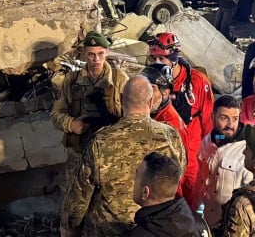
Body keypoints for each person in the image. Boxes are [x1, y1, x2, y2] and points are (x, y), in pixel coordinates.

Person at [61, 76, 186, 237]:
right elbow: (177, 175)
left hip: (108, 231)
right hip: (156, 229)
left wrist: (69, 225)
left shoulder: (101, 142)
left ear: (120, 100)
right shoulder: (171, 137)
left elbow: (79, 193)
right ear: (149, 102)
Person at [50, 32, 128, 157]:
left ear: (106, 52)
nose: (96, 59)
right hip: (80, 151)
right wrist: (71, 124)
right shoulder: (71, 80)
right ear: (84, 54)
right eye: (91, 54)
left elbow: (132, 113)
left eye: (100, 54)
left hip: (111, 152)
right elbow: (56, 114)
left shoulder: (119, 79)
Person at [147, 33, 215, 165]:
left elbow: (208, 119)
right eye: (154, 59)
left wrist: (210, 149)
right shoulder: (150, 81)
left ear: (173, 58)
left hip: (192, 154)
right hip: (164, 151)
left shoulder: (197, 81)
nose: (157, 64)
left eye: (161, 58)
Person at [141, 64, 199, 206]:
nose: (145, 94)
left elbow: (172, 176)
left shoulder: (171, 127)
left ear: (165, 93)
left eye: (151, 89)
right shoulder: (153, 115)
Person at [194, 95, 253, 230]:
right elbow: (200, 181)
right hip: (206, 222)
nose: (230, 125)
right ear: (213, 116)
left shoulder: (247, 150)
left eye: (235, 119)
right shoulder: (208, 140)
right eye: (224, 118)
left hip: (232, 226)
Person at [127, 152, 199, 237]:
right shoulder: (195, 222)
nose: (134, 181)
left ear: (145, 193)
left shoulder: (139, 234)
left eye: (137, 176)